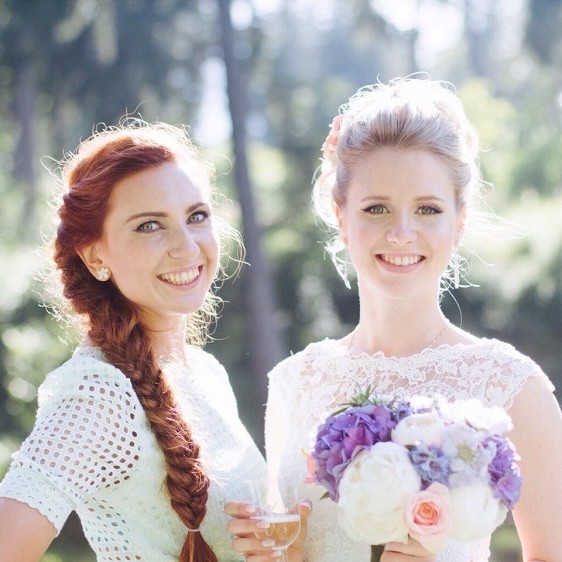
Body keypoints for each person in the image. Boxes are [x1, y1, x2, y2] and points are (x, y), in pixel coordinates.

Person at [260, 78, 561, 561]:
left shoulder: (511, 387)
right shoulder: (294, 384)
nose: (401, 232)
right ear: (341, 217)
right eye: (376, 208)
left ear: (458, 222)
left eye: (427, 209)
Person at [0, 121, 269, 562]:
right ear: (95, 255)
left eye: (196, 216)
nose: (186, 247)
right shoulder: (100, 394)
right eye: (149, 226)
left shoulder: (206, 373)